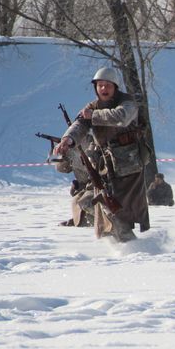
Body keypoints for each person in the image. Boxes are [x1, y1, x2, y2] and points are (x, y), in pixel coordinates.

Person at [53, 67, 149, 242]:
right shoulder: (92, 107)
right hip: (105, 166)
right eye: (100, 85)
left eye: (107, 85)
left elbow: (121, 117)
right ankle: (122, 242)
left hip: (129, 166)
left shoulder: (128, 102)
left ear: (115, 87)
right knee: (93, 202)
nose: (103, 89)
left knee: (121, 209)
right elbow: (80, 124)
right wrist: (67, 140)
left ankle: (131, 245)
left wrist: (94, 115)